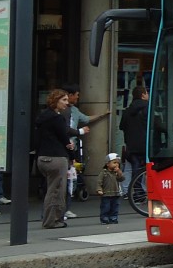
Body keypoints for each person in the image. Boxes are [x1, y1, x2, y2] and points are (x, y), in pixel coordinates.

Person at [36, 89, 80, 228]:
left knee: (50, 188)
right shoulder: (57, 118)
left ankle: (50, 218)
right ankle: (52, 220)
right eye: (64, 100)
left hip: (42, 157)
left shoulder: (42, 117)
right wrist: (72, 156)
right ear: (56, 101)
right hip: (56, 157)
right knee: (56, 191)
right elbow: (64, 139)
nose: (67, 103)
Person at [62, 83, 104, 219]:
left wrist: (102, 114)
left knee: (69, 178)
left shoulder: (73, 110)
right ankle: (61, 209)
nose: (77, 98)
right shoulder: (62, 112)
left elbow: (85, 118)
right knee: (64, 180)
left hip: (71, 147)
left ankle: (64, 208)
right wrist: (80, 131)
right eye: (77, 95)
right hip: (65, 147)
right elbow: (65, 130)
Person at [119, 86, 149, 198]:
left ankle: (135, 191)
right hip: (144, 143)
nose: (148, 95)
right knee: (146, 168)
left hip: (131, 143)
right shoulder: (147, 108)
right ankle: (139, 191)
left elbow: (122, 126)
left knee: (134, 167)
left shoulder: (128, 110)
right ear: (142, 95)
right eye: (147, 93)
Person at [96, 153, 124, 224]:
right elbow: (99, 181)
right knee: (105, 206)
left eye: (118, 163)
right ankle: (104, 218)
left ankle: (113, 217)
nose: (116, 164)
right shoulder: (104, 173)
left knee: (115, 207)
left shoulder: (116, 172)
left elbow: (121, 179)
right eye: (114, 162)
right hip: (106, 193)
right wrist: (99, 189)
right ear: (107, 164)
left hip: (116, 193)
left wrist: (119, 172)